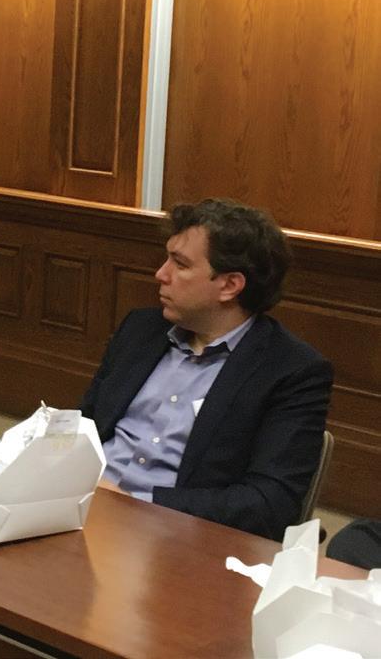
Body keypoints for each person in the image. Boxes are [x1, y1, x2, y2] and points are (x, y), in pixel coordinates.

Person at [81, 198, 333, 540]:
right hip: (81, 509)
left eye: (180, 264)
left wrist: (136, 503)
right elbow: (85, 425)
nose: (161, 274)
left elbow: (269, 504)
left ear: (230, 285)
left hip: (173, 538)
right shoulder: (141, 329)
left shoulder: (291, 371)